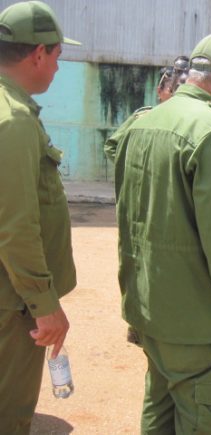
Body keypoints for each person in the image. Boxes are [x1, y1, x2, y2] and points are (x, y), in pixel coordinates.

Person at [113, 30, 211, 434]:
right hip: (199, 323)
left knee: (159, 408)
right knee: (203, 416)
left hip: (151, 310)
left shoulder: (144, 122)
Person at [0, 1, 79, 433]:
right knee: (9, 413)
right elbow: (15, 225)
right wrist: (44, 305)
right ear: (37, 54)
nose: (56, 68)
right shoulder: (13, 122)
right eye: (57, 57)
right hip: (11, 304)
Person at [104, 55, 189, 162]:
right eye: (170, 90)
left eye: (178, 90)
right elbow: (111, 147)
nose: (175, 95)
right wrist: (134, 167)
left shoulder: (186, 121)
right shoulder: (142, 117)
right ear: (159, 91)